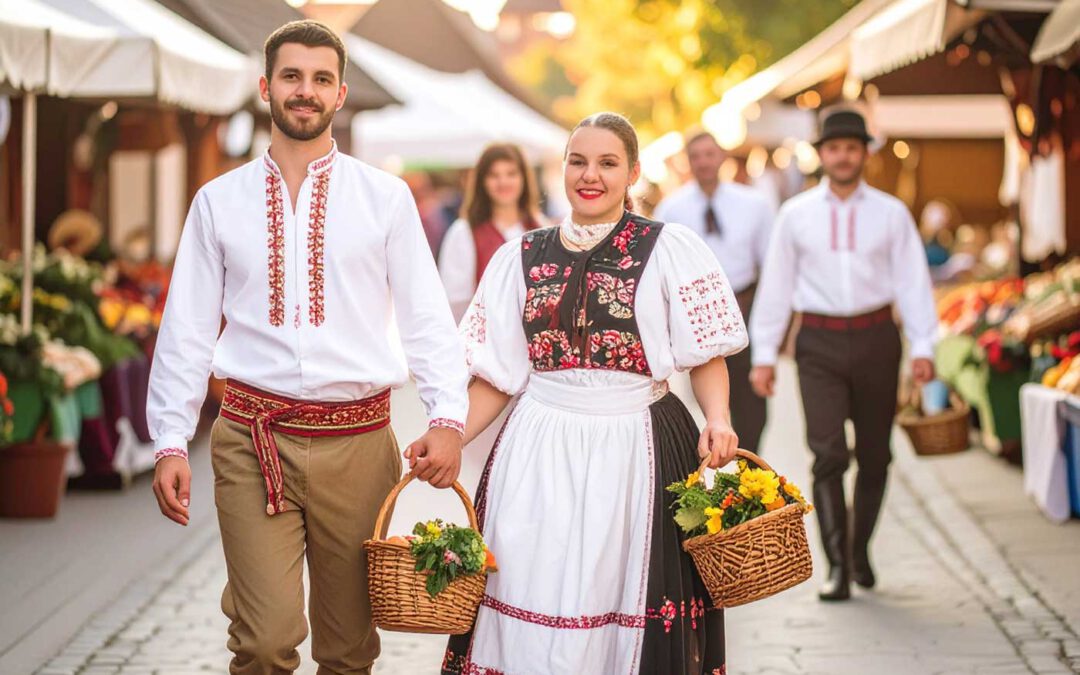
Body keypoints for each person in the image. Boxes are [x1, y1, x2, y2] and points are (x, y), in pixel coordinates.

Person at [147, 21, 468, 674]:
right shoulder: (218, 201)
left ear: (340, 94)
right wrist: (171, 440)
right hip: (251, 438)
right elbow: (186, 327)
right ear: (265, 86)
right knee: (263, 642)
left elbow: (426, 317)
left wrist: (447, 417)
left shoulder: (384, 198)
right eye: (291, 76)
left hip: (359, 441)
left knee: (348, 650)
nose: (306, 90)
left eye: (322, 79)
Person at [440, 112, 746, 675]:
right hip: (537, 449)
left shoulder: (667, 248)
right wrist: (450, 436)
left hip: (638, 446)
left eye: (608, 163)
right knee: (529, 579)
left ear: (632, 172)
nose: (590, 175)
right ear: (561, 168)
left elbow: (705, 354)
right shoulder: (521, 256)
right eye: (578, 162)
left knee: (622, 590)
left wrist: (719, 418)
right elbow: (497, 375)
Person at [749, 109, 938, 602]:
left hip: (878, 338)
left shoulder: (891, 213)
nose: (843, 156)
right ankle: (836, 566)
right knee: (828, 453)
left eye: (852, 148)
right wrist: (764, 354)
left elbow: (913, 282)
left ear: (864, 153)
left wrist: (923, 345)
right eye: (834, 148)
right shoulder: (796, 215)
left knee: (876, 455)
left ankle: (859, 551)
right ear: (822, 154)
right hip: (818, 343)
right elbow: (777, 286)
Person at [654, 129, 775, 453]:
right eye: (696, 156)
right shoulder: (670, 210)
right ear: (687, 162)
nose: (704, 162)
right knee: (708, 404)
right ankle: (715, 457)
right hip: (694, 316)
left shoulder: (754, 205)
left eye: (709, 154)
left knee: (751, 407)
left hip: (744, 307)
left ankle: (749, 469)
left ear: (722, 157)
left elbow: (770, 266)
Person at [438, 143, 545, 321]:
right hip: (485, 333)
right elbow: (455, 301)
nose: (503, 182)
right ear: (482, 182)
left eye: (511, 173)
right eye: (494, 175)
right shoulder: (464, 232)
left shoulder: (540, 227)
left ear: (524, 178)